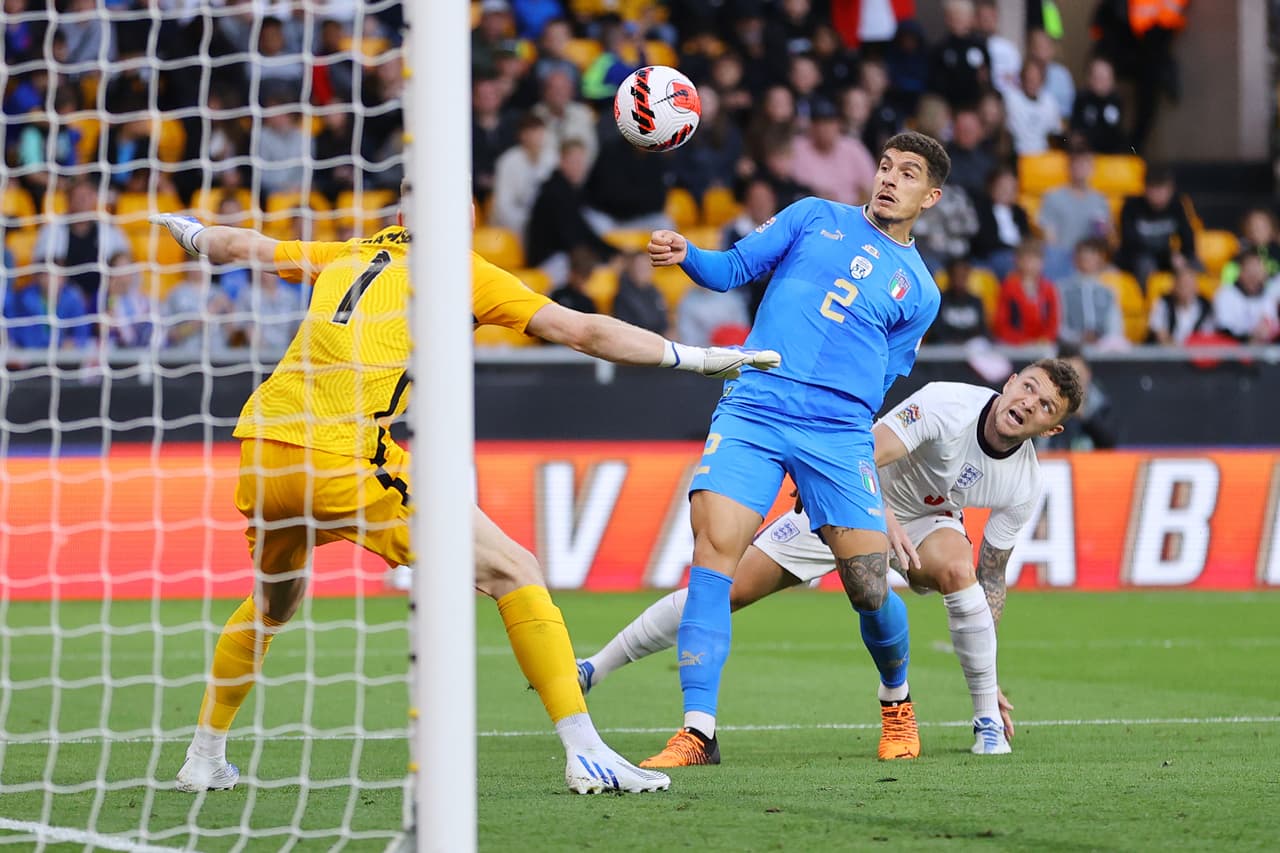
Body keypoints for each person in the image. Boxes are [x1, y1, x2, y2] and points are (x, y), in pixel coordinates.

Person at [149, 192, 781, 796]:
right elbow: (582, 331)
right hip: (344, 459)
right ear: (466, 215)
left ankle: (203, 757)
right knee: (515, 570)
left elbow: (247, 245)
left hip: (263, 451)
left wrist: (194, 233)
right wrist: (697, 359)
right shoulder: (461, 271)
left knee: (272, 604)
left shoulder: (347, 252)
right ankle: (586, 753)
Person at [578, 361, 1084, 759]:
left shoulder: (1024, 483)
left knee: (961, 571)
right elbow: (859, 454)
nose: (1027, 403)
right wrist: (874, 513)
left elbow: (992, 577)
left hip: (924, 525)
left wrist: (988, 675)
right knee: (723, 591)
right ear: (1012, 380)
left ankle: (986, 726)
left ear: (1051, 430)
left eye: (1044, 407)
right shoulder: (946, 403)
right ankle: (595, 669)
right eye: (1028, 388)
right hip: (848, 495)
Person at [638, 131, 949, 767]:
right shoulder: (814, 217)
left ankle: (897, 701)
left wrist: (850, 449)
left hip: (837, 434)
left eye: (907, 173)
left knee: (866, 586)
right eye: (885, 166)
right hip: (755, 404)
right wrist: (686, 252)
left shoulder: (920, 291)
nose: (889, 179)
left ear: (931, 196)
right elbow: (731, 270)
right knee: (713, 551)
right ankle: (698, 730)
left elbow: (886, 375)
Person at [1037, 148, 1113, 281]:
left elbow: (1104, 236)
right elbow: (1050, 238)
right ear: (1069, 168)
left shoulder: (1100, 199)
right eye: (1077, 164)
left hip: (1091, 256)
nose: (1081, 169)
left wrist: (1105, 231)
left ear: (1092, 169)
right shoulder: (1053, 196)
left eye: (1085, 164)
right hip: (1063, 256)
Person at [1116, 165, 1197, 287]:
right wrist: (1169, 255)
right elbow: (1130, 243)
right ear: (1146, 190)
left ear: (1170, 190)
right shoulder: (1131, 207)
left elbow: (1188, 237)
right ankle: (1147, 302)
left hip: (1166, 258)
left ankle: (1197, 304)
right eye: (1154, 189)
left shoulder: (1177, 206)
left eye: (1162, 189)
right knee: (1145, 264)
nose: (1158, 194)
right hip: (1137, 259)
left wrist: (1182, 256)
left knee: (1196, 265)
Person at [1055, 238, 1127, 348]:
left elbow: (1115, 326)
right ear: (1075, 260)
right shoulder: (1062, 289)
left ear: (1099, 260)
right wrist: (1077, 338)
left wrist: (1102, 340)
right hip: (1071, 347)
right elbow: (1060, 324)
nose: (1087, 261)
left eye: (1092, 257)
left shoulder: (1108, 291)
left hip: (1104, 349)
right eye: (1084, 257)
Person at [992, 239, 1059, 344]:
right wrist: (1020, 341)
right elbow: (1001, 322)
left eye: (1035, 259)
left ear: (1042, 262)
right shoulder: (1008, 287)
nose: (1030, 264)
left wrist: (1045, 339)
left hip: (1042, 344)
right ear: (1017, 261)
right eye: (1027, 259)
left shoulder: (1049, 288)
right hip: (1014, 344)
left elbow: (1053, 320)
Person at [1148, 260, 1213, 345]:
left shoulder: (1205, 306)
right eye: (1183, 285)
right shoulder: (1164, 302)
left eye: (1190, 285)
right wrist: (1177, 352)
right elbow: (1160, 333)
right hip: (1169, 354)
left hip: (1196, 353)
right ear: (1174, 287)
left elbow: (1207, 336)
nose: (1186, 290)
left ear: (1196, 288)